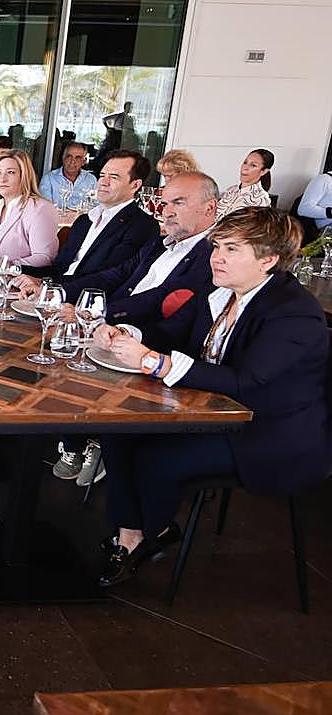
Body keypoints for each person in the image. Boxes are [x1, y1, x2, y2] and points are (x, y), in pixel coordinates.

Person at [90, 207, 328, 587]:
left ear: (269, 259)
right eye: (217, 246)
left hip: (266, 432)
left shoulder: (294, 314)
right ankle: (135, 534)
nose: (217, 256)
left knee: (155, 458)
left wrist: (155, 363)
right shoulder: (220, 290)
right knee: (118, 432)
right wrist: (125, 333)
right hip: (208, 410)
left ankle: (151, 531)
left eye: (232, 249)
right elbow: (170, 331)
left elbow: (247, 383)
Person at [40, 172, 221, 485]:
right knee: (60, 343)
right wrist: (58, 291)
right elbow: (115, 275)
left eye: (179, 202)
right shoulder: (160, 243)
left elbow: (163, 300)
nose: (167, 211)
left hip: (158, 340)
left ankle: (99, 439)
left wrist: (99, 315)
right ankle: (81, 438)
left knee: (76, 351)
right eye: (165, 203)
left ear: (210, 208)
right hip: (115, 324)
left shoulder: (213, 255)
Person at [20, 150, 160, 285]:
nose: (103, 182)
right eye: (102, 175)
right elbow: (58, 269)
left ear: (135, 185)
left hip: (84, 301)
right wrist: (14, 269)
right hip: (53, 292)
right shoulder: (84, 221)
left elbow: (105, 279)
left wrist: (45, 284)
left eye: (114, 177)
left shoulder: (141, 226)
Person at [0, 150, 59, 268]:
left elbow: (45, 258)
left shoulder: (40, 209)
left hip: (14, 282)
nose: (2, 179)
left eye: (11, 172)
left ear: (24, 176)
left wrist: (6, 263)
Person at [217, 148, 273, 220]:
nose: (245, 168)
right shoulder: (231, 190)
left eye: (253, 165)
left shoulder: (261, 200)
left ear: (264, 171)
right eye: (245, 162)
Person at [39, 141, 98, 209]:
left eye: (78, 157)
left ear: (83, 162)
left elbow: (96, 206)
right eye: (69, 156)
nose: (72, 161)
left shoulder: (91, 180)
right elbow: (45, 208)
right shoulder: (49, 179)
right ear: (63, 158)